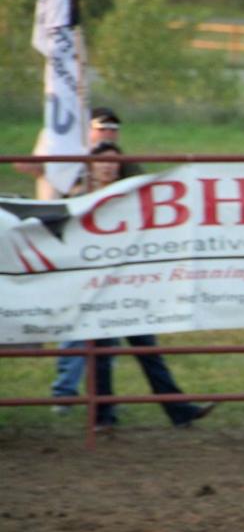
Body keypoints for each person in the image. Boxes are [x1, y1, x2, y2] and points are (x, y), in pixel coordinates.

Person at [81, 142, 215, 431]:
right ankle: (103, 415)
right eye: (102, 162)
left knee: (146, 350)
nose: (108, 166)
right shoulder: (78, 198)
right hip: (96, 290)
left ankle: (179, 410)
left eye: (113, 162)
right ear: (91, 165)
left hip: (129, 288)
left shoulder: (131, 195)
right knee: (101, 354)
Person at [36, 108, 146, 413]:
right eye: (103, 128)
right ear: (89, 130)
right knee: (78, 331)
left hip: (113, 264)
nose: (109, 133)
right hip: (71, 254)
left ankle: (98, 408)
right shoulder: (69, 159)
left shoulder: (125, 164)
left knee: (109, 337)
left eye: (114, 129)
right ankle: (67, 394)